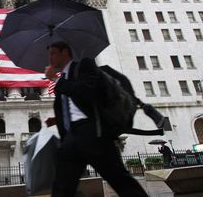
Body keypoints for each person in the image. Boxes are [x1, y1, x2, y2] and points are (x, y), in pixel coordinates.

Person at [44, 41, 149, 197]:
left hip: (93, 133)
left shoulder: (84, 66)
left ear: (64, 53)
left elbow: (86, 94)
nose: (49, 58)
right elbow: (74, 107)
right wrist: (57, 120)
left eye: (53, 53)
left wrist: (56, 80)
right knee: (62, 187)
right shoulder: (64, 76)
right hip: (72, 137)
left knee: (120, 180)